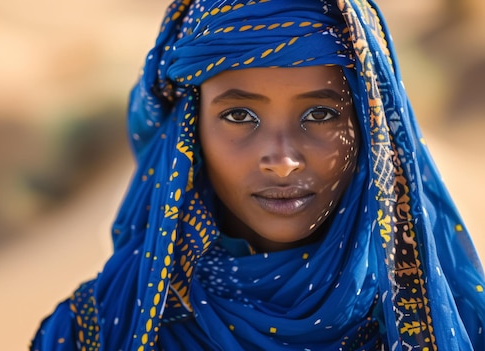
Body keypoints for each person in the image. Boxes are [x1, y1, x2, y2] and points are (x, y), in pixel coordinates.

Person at [30, 0, 485, 349]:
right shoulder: (94, 333)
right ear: (189, 132)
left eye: (321, 114)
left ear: (371, 129)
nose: (282, 160)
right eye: (240, 116)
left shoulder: (446, 325)